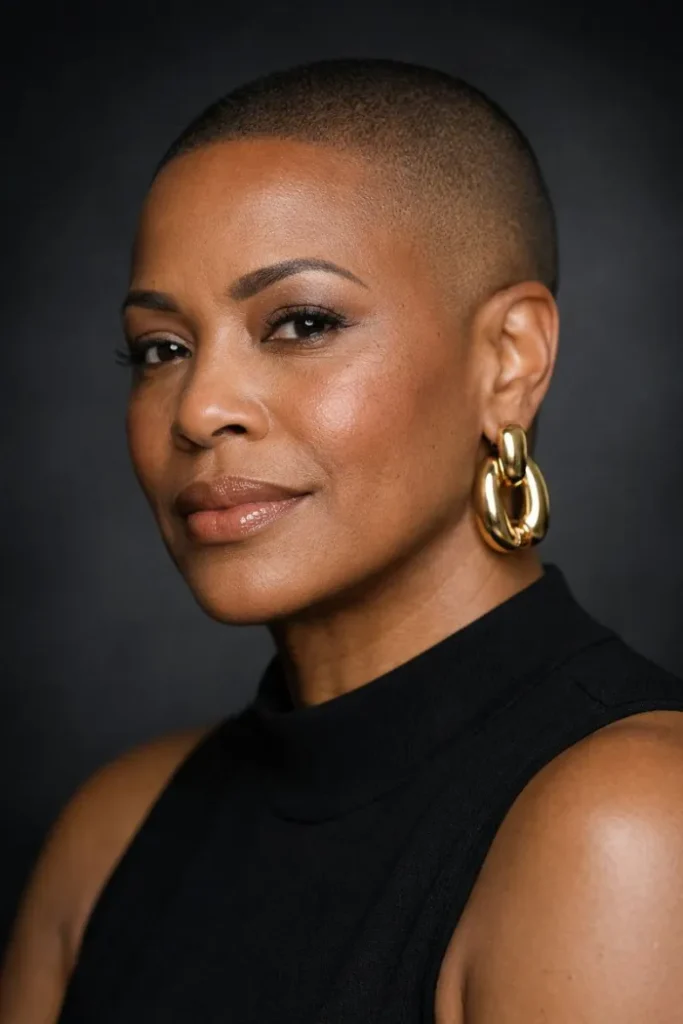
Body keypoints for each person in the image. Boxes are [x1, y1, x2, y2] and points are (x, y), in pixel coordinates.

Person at [1, 57, 682, 1024]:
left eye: (300, 323)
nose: (197, 409)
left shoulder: (634, 820)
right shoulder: (113, 832)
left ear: (507, 361)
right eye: (162, 348)